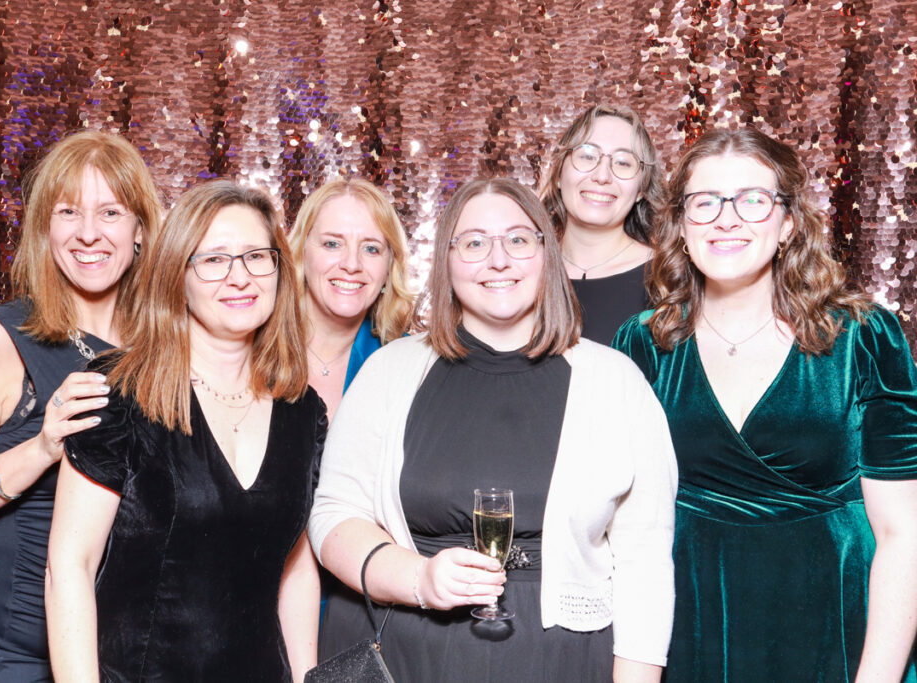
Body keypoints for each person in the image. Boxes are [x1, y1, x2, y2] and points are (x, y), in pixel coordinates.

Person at [309, 178, 678, 682]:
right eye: (475, 242)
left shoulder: (616, 382)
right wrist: (418, 579)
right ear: (447, 259)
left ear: (546, 253)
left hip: (561, 662)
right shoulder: (388, 372)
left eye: (518, 240)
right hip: (406, 655)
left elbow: (646, 563)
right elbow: (333, 516)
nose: (497, 259)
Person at [612, 127, 917, 682]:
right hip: (688, 630)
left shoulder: (865, 337)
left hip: (836, 629)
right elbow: (623, 528)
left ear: (788, 223)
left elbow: (905, 533)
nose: (727, 219)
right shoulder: (642, 344)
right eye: (705, 202)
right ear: (681, 226)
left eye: (753, 200)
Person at [45, 179, 326, 682]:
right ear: (178, 275)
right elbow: (70, 566)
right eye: (214, 259)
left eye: (256, 256)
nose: (239, 277)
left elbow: (296, 567)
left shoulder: (302, 410)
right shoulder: (117, 393)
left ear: (279, 269)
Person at [0, 130, 160, 681]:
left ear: (140, 230)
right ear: (46, 228)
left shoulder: (164, 349)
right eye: (69, 211)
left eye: (111, 212)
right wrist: (41, 448)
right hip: (19, 656)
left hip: (135, 651)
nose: (89, 233)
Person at [288, 177, 412, 419]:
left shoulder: (411, 367)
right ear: (302, 253)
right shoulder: (254, 350)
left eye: (371, 248)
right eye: (333, 244)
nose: (352, 264)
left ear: (389, 268)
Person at [539, 104, 664, 342]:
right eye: (587, 156)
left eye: (624, 162)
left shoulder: (669, 278)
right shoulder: (521, 271)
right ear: (558, 173)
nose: (602, 176)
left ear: (641, 189)